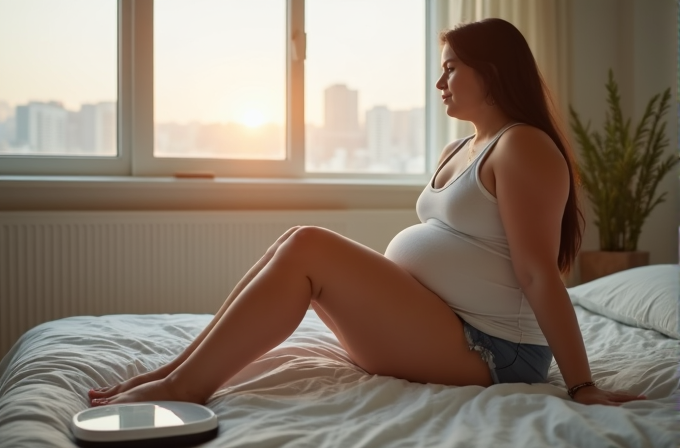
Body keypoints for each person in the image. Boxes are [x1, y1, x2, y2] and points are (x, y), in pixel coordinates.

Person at [89, 18, 647, 408]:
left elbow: (536, 272)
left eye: (452, 69)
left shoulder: (522, 145)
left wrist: (580, 386)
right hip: (444, 327)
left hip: (496, 351)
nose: (440, 83)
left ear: (493, 72)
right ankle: (178, 372)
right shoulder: (463, 147)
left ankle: (185, 387)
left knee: (308, 244)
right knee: (293, 241)